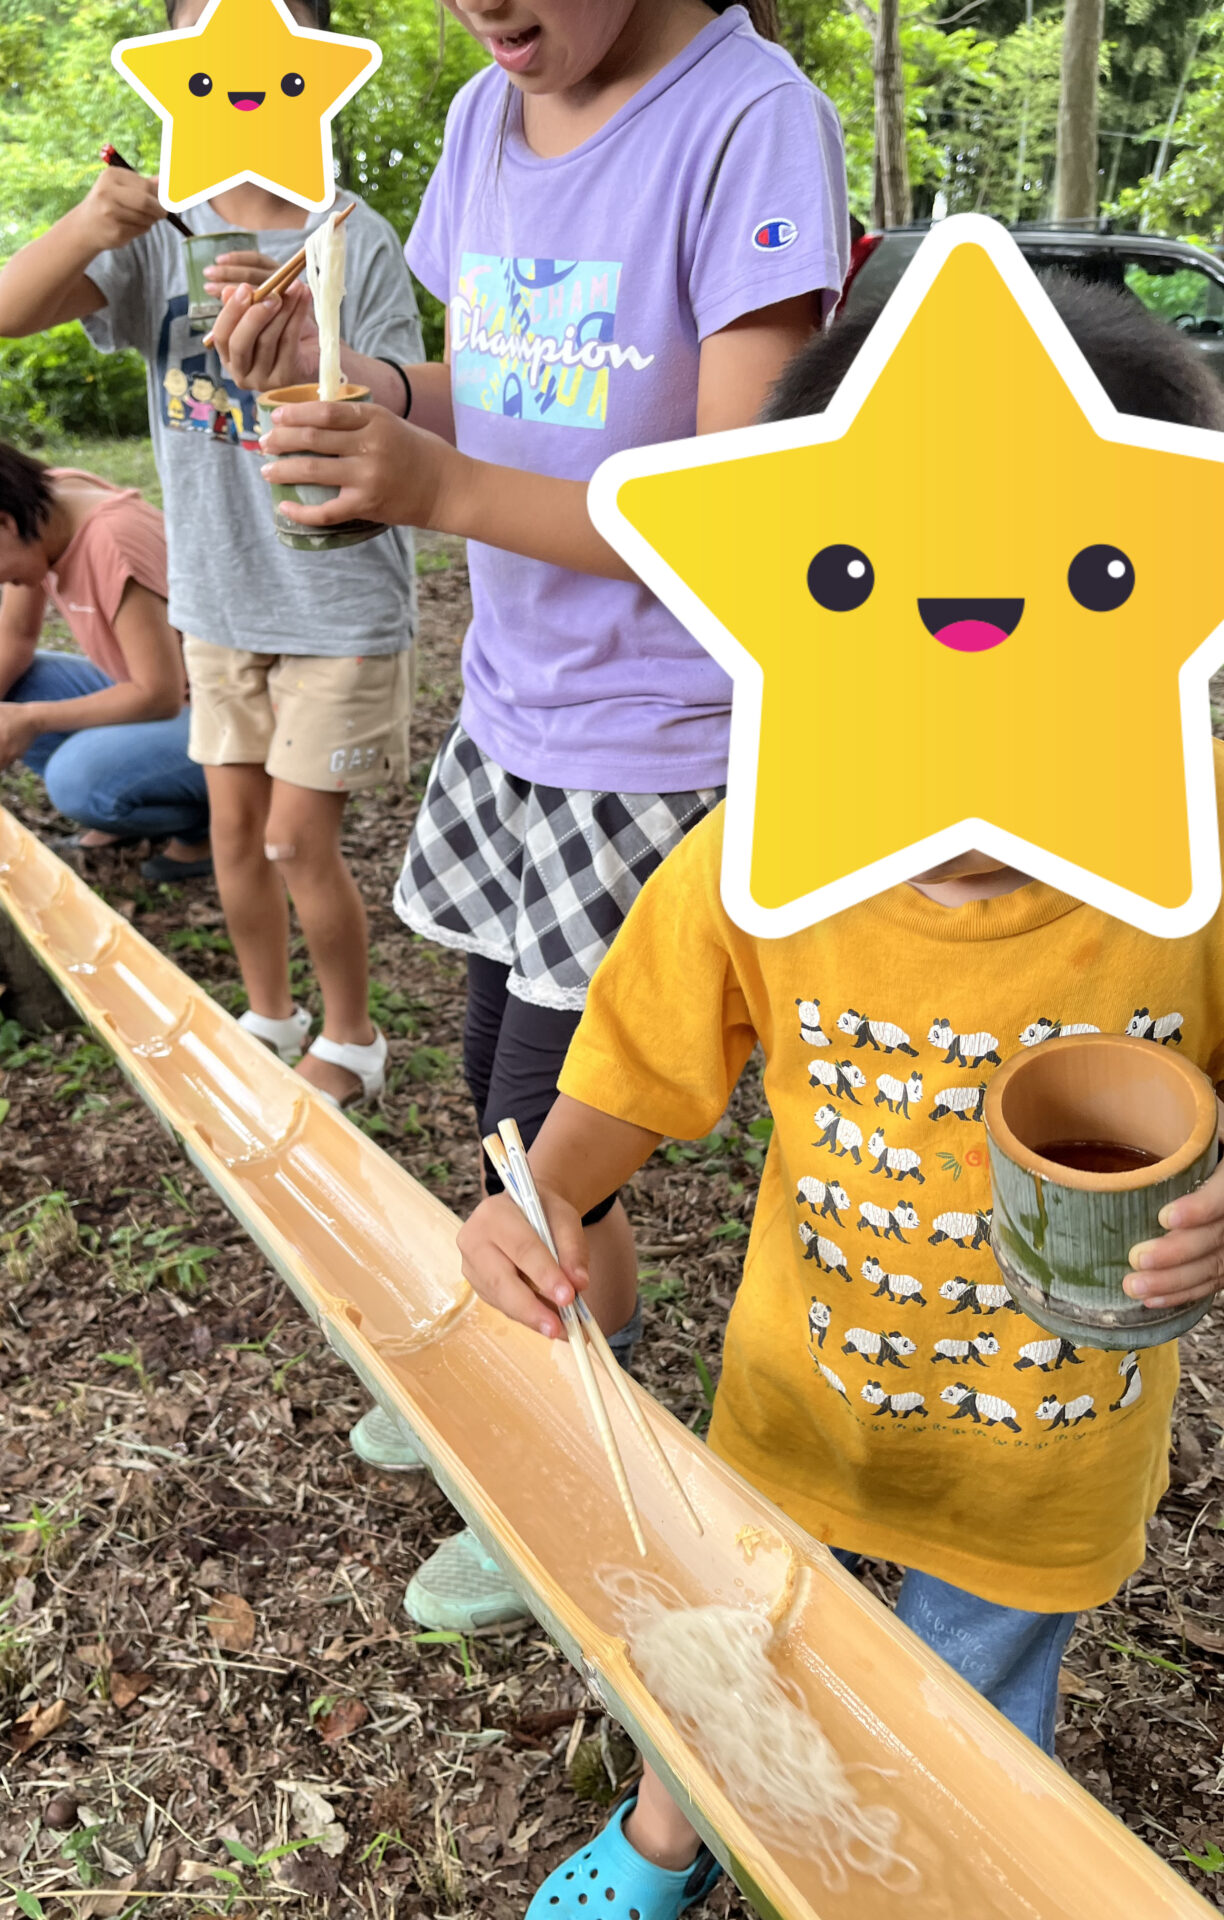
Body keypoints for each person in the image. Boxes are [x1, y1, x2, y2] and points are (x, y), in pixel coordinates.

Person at [455, 280, 1224, 1916]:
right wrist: (540, 1203)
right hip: (798, 1401)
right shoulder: (755, 860)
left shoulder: (1202, 856)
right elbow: (628, 1080)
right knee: (724, 1632)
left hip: (1051, 1458)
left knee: (965, 1739)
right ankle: (670, 1837)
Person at [213, 0, 851, 1624]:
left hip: (657, 738)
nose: (484, 7)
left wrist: (439, 490)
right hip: (520, 710)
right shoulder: (492, 116)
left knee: (546, 1145)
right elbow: (498, 382)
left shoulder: (744, 119)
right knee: (506, 1094)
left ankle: (561, 1456)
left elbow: (740, 503)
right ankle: (546, 1375)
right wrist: (368, 392)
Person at [0, 0, 424, 1107]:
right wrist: (90, 223)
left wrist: (297, 359)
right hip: (220, 598)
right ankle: (270, 1016)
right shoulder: (159, 241)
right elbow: (7, 310)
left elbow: (408, 409)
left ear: (316, 71)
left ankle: (355, 1035)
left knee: (290, 840)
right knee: (232, 827)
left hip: (335, 602)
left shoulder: (350, 235)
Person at [0, 433, 211, 876]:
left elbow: (160, 694)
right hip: (158, 691)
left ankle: (204, 828)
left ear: (0, 523)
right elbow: (16, 634)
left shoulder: (112, 540)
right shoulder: (39, 507)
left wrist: (33, 720)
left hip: (223, 710)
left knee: (77, 780)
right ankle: (137, 802)